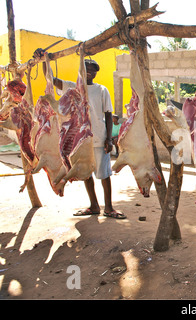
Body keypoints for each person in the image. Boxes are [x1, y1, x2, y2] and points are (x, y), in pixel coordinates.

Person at [33, 48, 126, 219]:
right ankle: (94, 205)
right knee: (85, 173)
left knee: (104, 174)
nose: (89, 73)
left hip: (98, 138)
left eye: (93, 71)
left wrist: (109, 139)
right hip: (79, 140)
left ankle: (109, 207)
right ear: (81, 70)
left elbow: (107, 113)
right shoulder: (71, 87)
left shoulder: (101, 90)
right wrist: (45, 59)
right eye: (86, 69)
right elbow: (51, 79)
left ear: (96, 74)